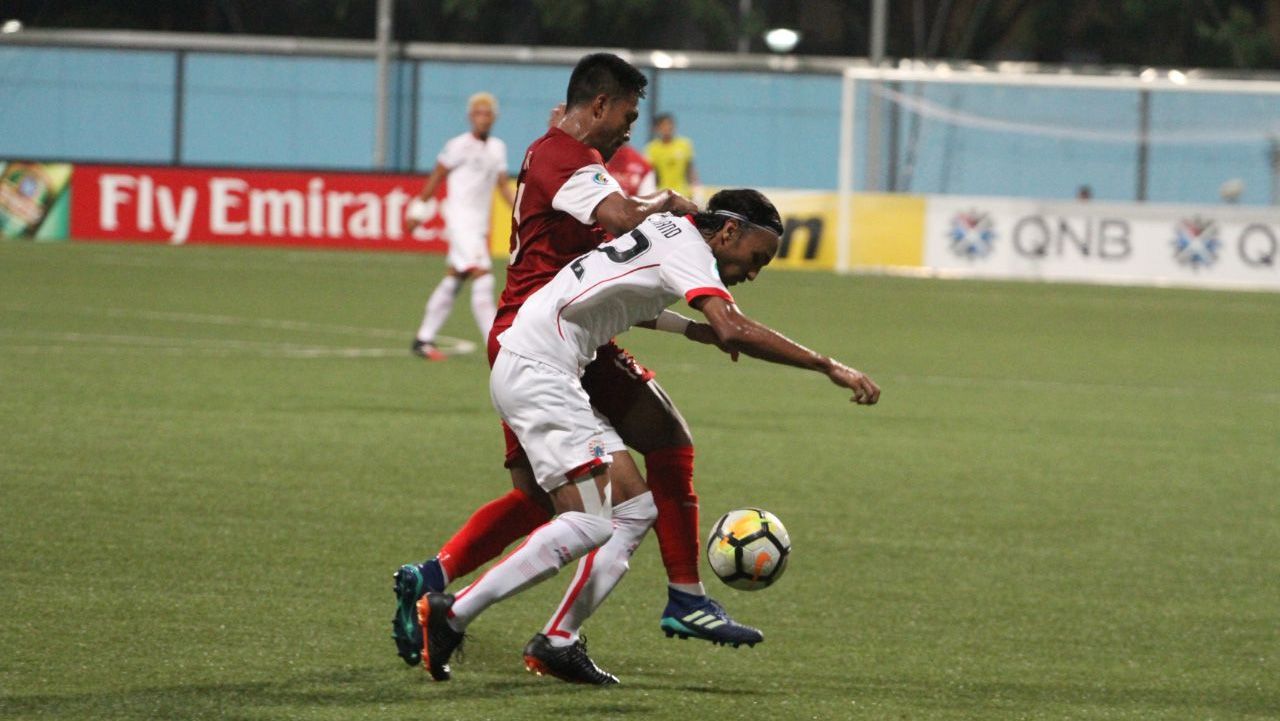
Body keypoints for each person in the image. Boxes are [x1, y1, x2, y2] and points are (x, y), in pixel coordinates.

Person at [391, 53, 759, 683]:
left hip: (543, 332)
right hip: (545, 338)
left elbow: (614, 285)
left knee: (541, 500)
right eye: (626, 115)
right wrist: (669, 203)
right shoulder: (570, 159)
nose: (629, 130)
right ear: (599, 105)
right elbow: (618, 221)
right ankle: (679, 597)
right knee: (643, 463)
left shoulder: (557, 156)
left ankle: (439, 581)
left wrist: (686, 327)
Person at [418, 188, 881, 683]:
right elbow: (732, 328)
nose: (753, 272)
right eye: (755, 258)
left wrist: (688, 329)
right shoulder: (690, 251)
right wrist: (826, 365)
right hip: (541, 371)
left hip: (545, 366)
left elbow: (620, 297)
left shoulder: (664, 230)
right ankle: (453, 612)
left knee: (635, 509)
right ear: (728, 232)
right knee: (589, 523)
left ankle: (558, 640)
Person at [406, 92, 515, 361]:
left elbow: (502, 185)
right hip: (460, 221)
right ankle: (496, 345)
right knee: (483, 274)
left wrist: (523, 210)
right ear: (470, 116)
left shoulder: (497, 148)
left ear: (494, 118)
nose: (482, 118)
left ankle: (423, 339)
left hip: (479, 224)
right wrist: (419, 209)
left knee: (455, 277)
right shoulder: (458, 145)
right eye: (477, 113)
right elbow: (437, 175)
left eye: (487, 113)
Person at [645, 113, 699, 199]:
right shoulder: (652, 148)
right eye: (663, 125)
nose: (667, 128)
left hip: (682, 193)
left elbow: (690, 169)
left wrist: (696, 188)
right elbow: (651, 174)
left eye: (669, 124)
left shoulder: (684, 144)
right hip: (661, 195)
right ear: (657, 128)